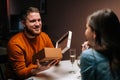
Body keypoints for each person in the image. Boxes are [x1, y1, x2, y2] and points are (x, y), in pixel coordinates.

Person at [6, 7, 59, 80]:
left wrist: (57, 56)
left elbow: (57, 58)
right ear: (23, 23)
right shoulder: (15, 43)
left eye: (39, 20)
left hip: (39, 74)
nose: (37, 24)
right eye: (33, 21)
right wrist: (38, 68)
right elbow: (21, 74)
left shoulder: (44, 36)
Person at [80, 9, 120, 80]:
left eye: (86, 28)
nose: (85, 31)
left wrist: (87, 54)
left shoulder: (88, 56)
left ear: (95, 34)